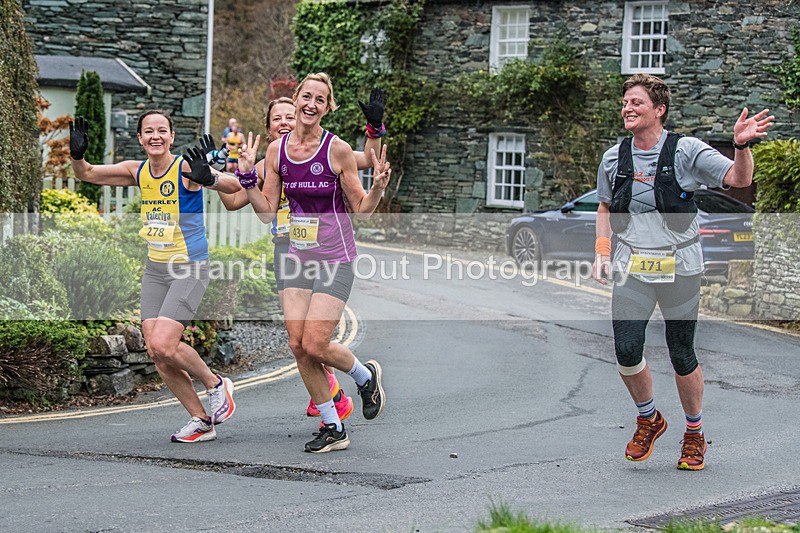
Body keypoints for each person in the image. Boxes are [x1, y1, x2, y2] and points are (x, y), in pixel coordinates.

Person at [592, 74, 774, 470]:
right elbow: (605, 206)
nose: (627, 108)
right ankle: (649, 418)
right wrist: (602, 251)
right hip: (632, 266)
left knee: (681, 352)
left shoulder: (686, 150)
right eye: (625, 102)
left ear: (659, 109)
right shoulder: (613, 157)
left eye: (636, 102)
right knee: (625, 349)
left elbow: (739, 179)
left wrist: (741, 145)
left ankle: (694, 434)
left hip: (681, 267)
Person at [237, 72, 390, 453]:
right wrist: (245, 178)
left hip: (335, 257)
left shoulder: (335, 149)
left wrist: (377, 190)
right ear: (297, 98)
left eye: (320, 100)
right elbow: (266, 210)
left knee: (317, 342)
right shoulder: (276, 152)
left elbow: (362, 209)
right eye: (306, 96)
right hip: (296, 257)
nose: (311, 104)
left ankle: (363, 374)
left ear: (327, 107)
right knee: (297, 344)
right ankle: (334, 427)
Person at [69, 111, 243, 443]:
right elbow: (87, 174)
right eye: (148, 131)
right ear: (140, 138)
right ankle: (200, 420)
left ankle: (216, 383)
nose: (155, 136)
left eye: (162, 130)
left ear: (172, 136)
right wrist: (77, 155)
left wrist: (211, 178)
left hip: (189, 266)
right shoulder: (137, 170)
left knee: (165, 342)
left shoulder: (184, 168)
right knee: (155, 348)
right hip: (156, 268)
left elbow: (234, 186)